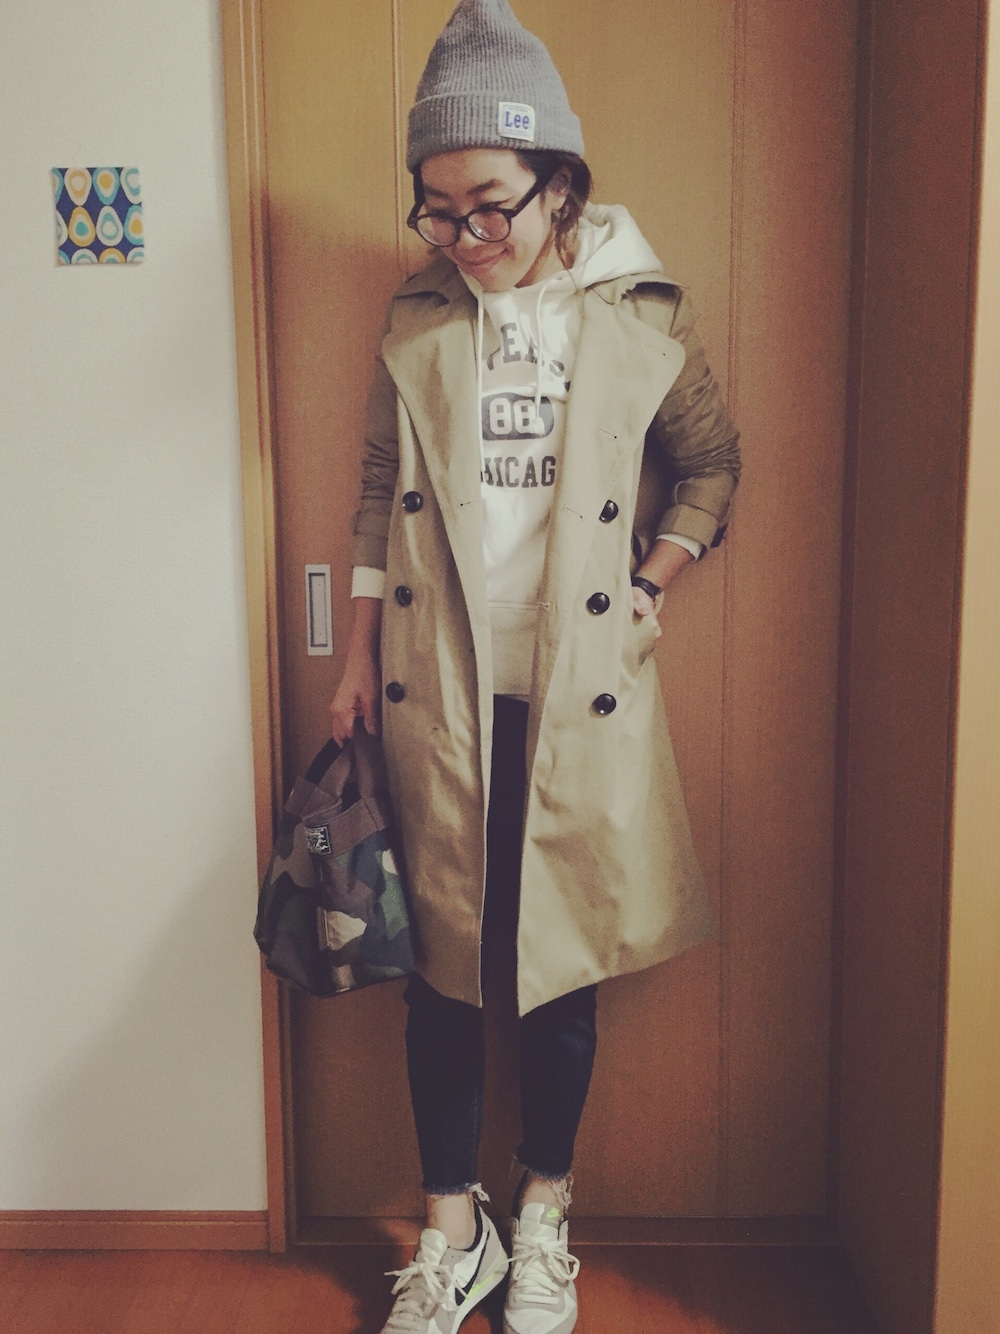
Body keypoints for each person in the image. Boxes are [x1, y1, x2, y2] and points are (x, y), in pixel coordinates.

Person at [329, 2, 741, 1330]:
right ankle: (454, 1228)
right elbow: (379, 488)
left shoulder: (641, 310)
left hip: (580, 693)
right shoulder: (418, 311)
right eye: (439, 210)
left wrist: (650, 583)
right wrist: (351, 653)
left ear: (561, 184)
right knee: (442, 968)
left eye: (491, 206)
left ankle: (545, 1209)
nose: (465, 236)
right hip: (436, 684)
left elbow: (712, 468)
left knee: (562, 965)